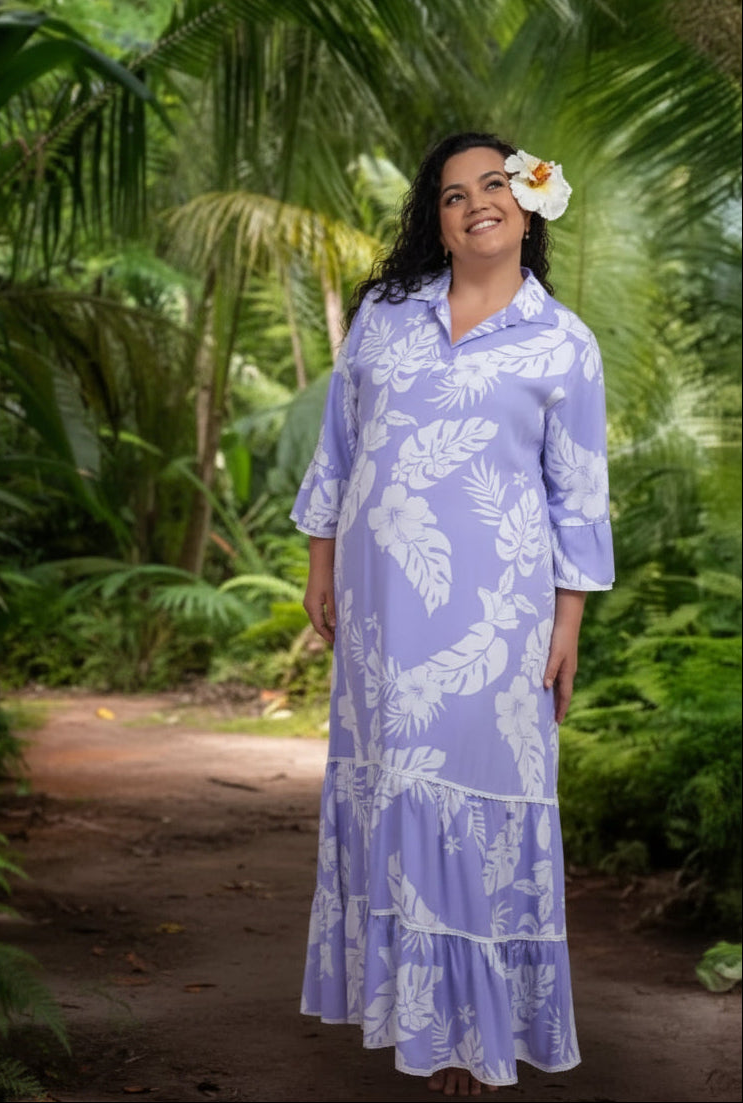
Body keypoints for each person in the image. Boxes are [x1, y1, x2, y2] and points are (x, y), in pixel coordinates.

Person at [290, 131, 614, 1098]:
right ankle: (409, 1012)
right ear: (435, 221)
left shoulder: (565, 343)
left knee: (477, 807)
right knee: (391, 793)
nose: (474, 202)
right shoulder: (385, 317)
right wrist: (320, 564)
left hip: (497, 628)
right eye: (450, 194)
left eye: (493, 184)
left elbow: (578, 500)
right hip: (381, 617)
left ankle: (474, 1030)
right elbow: (336, 452)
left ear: (528, 202)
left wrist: (567, 629)